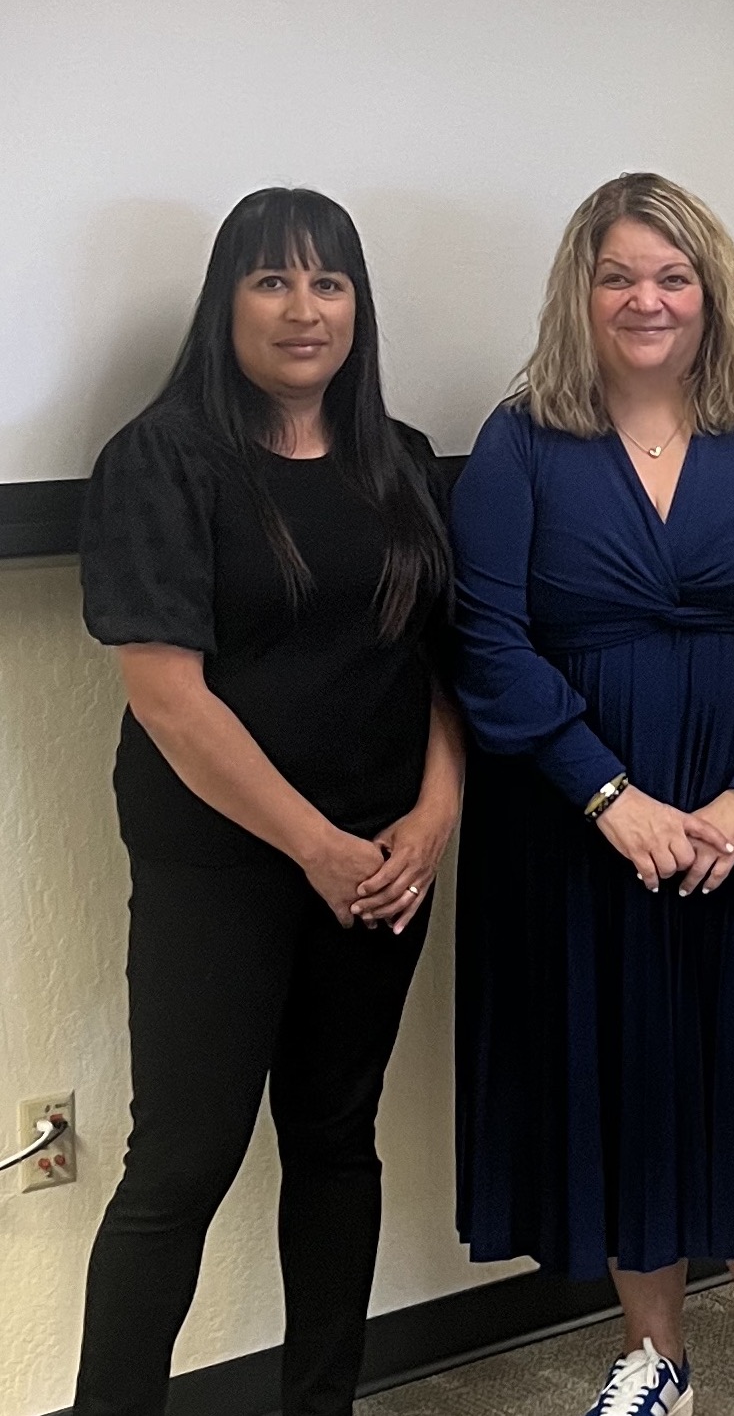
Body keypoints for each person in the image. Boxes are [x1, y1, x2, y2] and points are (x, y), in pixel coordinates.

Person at [450, 172, 734, 1416]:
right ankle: (656, 1356)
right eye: (618, 276)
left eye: (672, 275)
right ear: (580, 295)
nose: (646, 299)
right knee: (619, 1070)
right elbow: (487, 636)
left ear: (711, 292)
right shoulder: (520, 440)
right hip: (581, 823)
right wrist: (610, 797)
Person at [74, 188, 462, 1416]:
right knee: (180, 1165)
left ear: (359, 304)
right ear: (223, 303)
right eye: (272, 282)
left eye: (330, 283)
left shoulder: (397, 460)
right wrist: (318, 848)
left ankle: (322, 1404)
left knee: (338, 1143)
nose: (305, 310)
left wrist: (431, 819)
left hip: (387, 866)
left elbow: (447, 669)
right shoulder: (161, 458)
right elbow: (168, 698)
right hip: (226, 867)